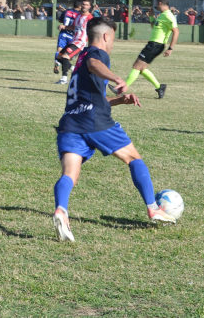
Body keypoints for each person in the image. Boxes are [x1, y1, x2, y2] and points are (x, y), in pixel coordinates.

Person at [52, 16, 176, 242]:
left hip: (70, 123)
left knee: (70, 174)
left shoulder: (80, 59)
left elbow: (93, 98)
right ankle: (152, 208)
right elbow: (95, 65)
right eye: (113, 38)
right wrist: (117, 77)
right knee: (134, 158)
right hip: (95, 121)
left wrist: (119, 100)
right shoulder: (96, 55)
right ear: (106, 36)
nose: (113, 43)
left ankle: (61, 210)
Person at [120, 0, 179, 99]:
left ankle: (121, 88)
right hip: (154, 44)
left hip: (155, 45)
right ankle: (159, 87)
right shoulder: (162, 15)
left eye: (156, 3)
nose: (155, 5)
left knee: (136, 66)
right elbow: (154, 26)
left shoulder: (168, 15)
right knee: (141, 69)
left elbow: (176, 31)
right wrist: (151, 17)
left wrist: (170, 48)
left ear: (160, 3)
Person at [55, 0, 93, 85]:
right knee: (59, 57)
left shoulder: (90, 18)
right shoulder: (78, 16)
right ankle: (74, 69)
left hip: (80, 43)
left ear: (89, 7)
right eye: (83, 4)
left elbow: (92, 31)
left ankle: (64, 79)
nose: (84, 6)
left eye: (86, 5)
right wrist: (64, 26)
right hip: (73, 41)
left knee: (65, 57)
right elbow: (73, 27)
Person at [53, 0, 82, 75]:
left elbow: (60, 20)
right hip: (73, 36)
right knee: (68, 56)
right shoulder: (80, 15)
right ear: (79, 6)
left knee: (59, 52)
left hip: (63, 34)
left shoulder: (67, 11)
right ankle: (71, 68)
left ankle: (57, 64)